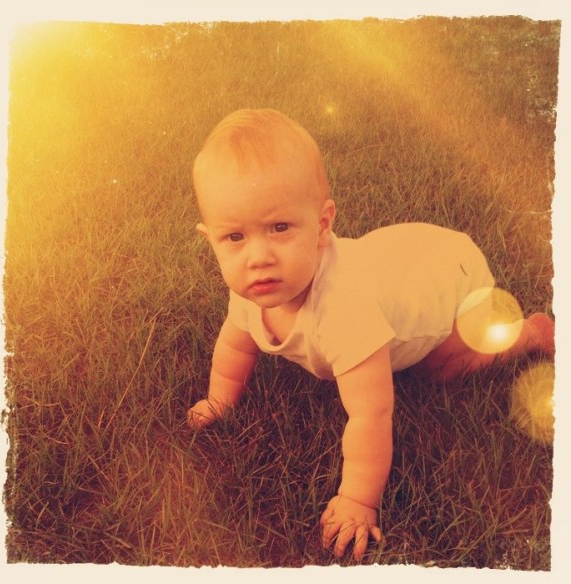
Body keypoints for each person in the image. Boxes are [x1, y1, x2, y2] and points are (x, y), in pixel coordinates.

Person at [186, 108, 555, 561]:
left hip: (454, 286)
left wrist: (358, 500)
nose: (257, 257)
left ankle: (527, 334)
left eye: (279, 228)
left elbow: (371, 413)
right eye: (234, 238)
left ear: (323, 225)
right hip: (400, 258)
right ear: (210, 237)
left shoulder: (344, 309)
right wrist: (220, 400)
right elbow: (236, 342)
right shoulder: (255, 286)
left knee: (438, 369)